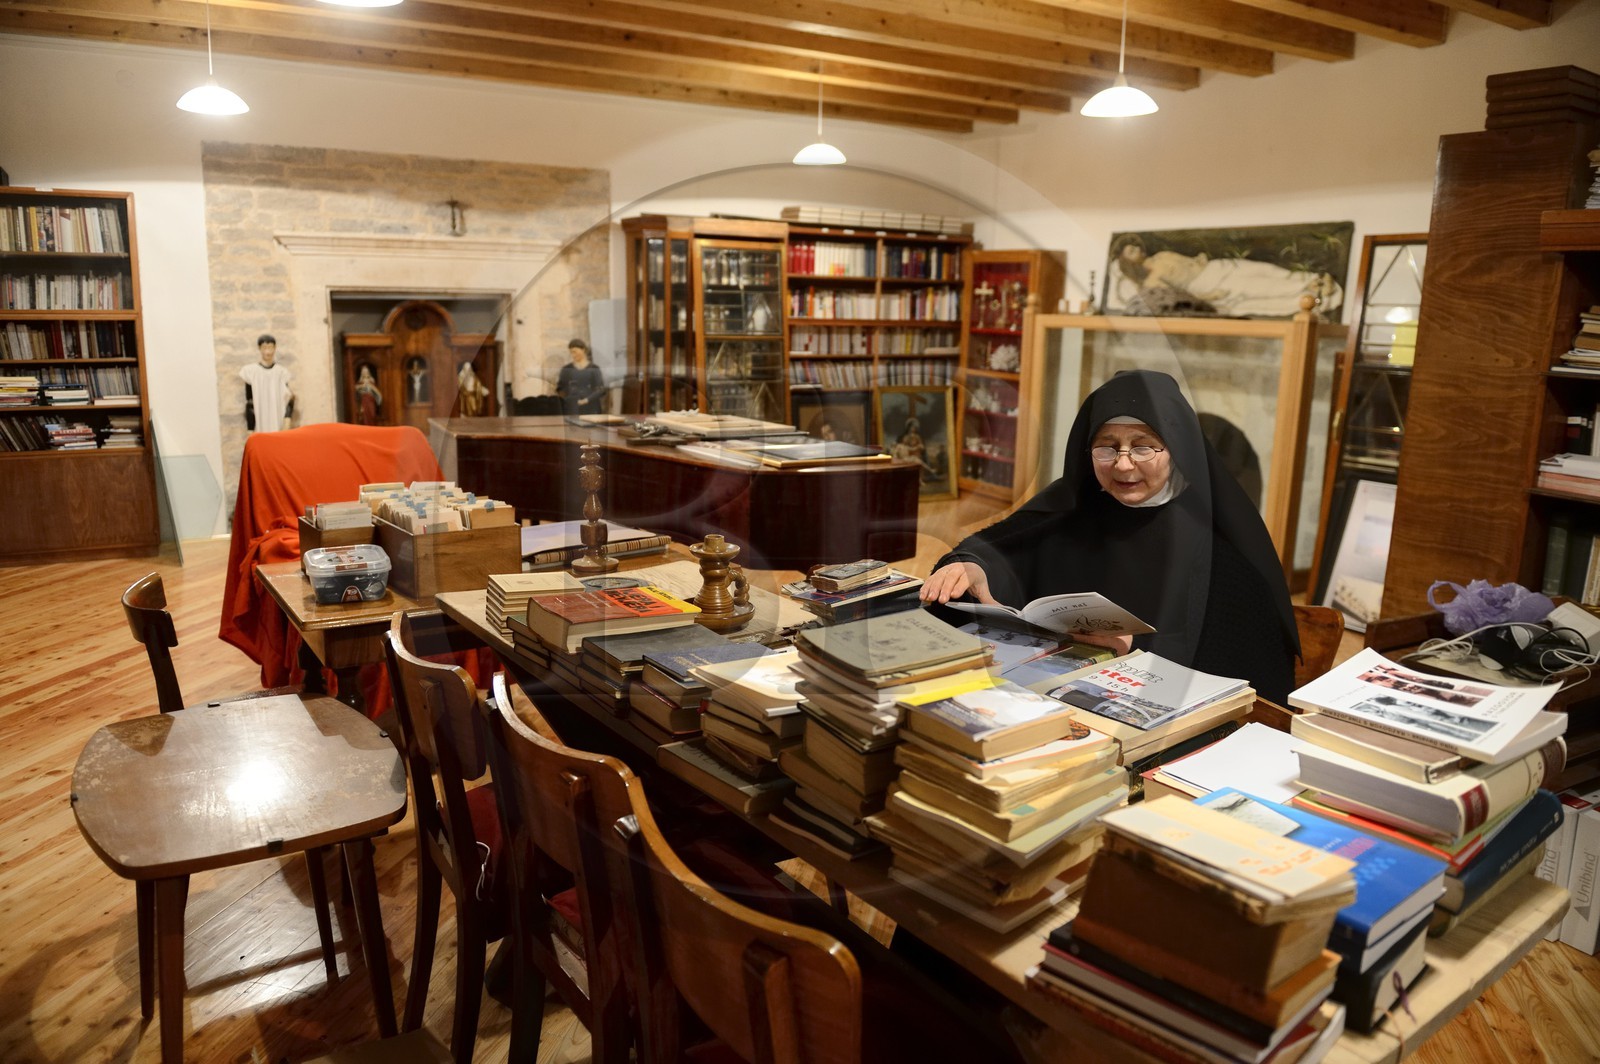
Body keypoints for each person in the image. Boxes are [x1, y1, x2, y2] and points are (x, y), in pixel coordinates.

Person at [920, 369, 1300, 703]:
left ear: (1177, 449)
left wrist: (1135, 646)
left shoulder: (1215, 537)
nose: (1122, 463)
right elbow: (1004, 547)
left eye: (1143, 446)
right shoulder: (1073, 504)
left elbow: (1239, 660)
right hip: (1049, 695)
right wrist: (972, 566)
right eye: (1107, 446)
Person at [240, 333, 294, 432]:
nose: (268, 352)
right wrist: (250, 428)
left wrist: (287, 420)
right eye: (265, 348)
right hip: (261, 419)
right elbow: (250, 401)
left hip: (277, 417)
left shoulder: (281, 373)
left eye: (270, 348)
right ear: (259, 348)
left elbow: (287, 398)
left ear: (275, 348)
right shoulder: (251, 372)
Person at [556, 338, 606, 416]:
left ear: (583, 350)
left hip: (591, 409)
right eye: (571, 352)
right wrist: (570, 400)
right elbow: (560, 389)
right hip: (573, 409)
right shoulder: (567, 369)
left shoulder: (594, 368)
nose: (573, 355)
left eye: (575, 352)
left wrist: (586, 400)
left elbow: (601, 389)